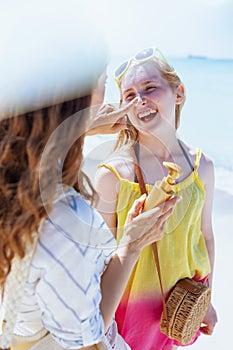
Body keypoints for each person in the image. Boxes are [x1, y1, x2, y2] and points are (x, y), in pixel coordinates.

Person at [0, 7, 180, 350]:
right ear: (78, 97)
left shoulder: (12, 177)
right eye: (101, 81)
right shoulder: (66, 222)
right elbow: (84, 339)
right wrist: (131, 245)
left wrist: (81, 125)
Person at [94, 47, 218, 350]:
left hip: (176, 312)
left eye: (150, 88)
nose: (141, 100)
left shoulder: (201, 167)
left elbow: (206, 237)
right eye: (130, 95)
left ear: (178, 93)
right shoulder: (113, 177)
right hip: (125, 320)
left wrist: (207, 300)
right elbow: (96, 264)